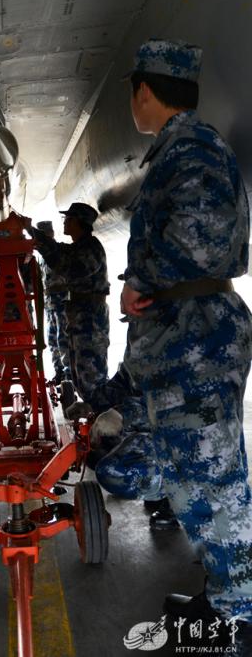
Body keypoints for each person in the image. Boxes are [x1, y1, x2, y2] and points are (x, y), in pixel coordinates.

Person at [120, 38, 252, 638]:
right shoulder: (182, 147)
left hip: (194, 338)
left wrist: (141, 282)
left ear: (145, 93)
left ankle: (239, 615)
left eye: (134, 97)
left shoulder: (190, 149)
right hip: (189, 334)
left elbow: (199, 243)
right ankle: (229, 594)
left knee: (212, 480)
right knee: (208, 474)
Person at [32, 203, 110, 402]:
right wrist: (31, 233)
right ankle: (93, 411)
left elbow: (66, 265)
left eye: (68, 219)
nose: (64, 222)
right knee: (80, 372)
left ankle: (102, 415)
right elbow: (57, 251)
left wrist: (32, 233)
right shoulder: (79, 246)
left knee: (92, 372)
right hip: (80, 315)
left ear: (78, 222)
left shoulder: (90, 248)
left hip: (90, 318)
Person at [36, 220, 73, 387]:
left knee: (63, 338)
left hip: (62, 301)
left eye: (46, 233)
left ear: (52, 233)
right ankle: (59, 371)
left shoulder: (58, 252)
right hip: (49, 303)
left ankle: (68, 375)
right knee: (52, 340)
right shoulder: (42, 257)